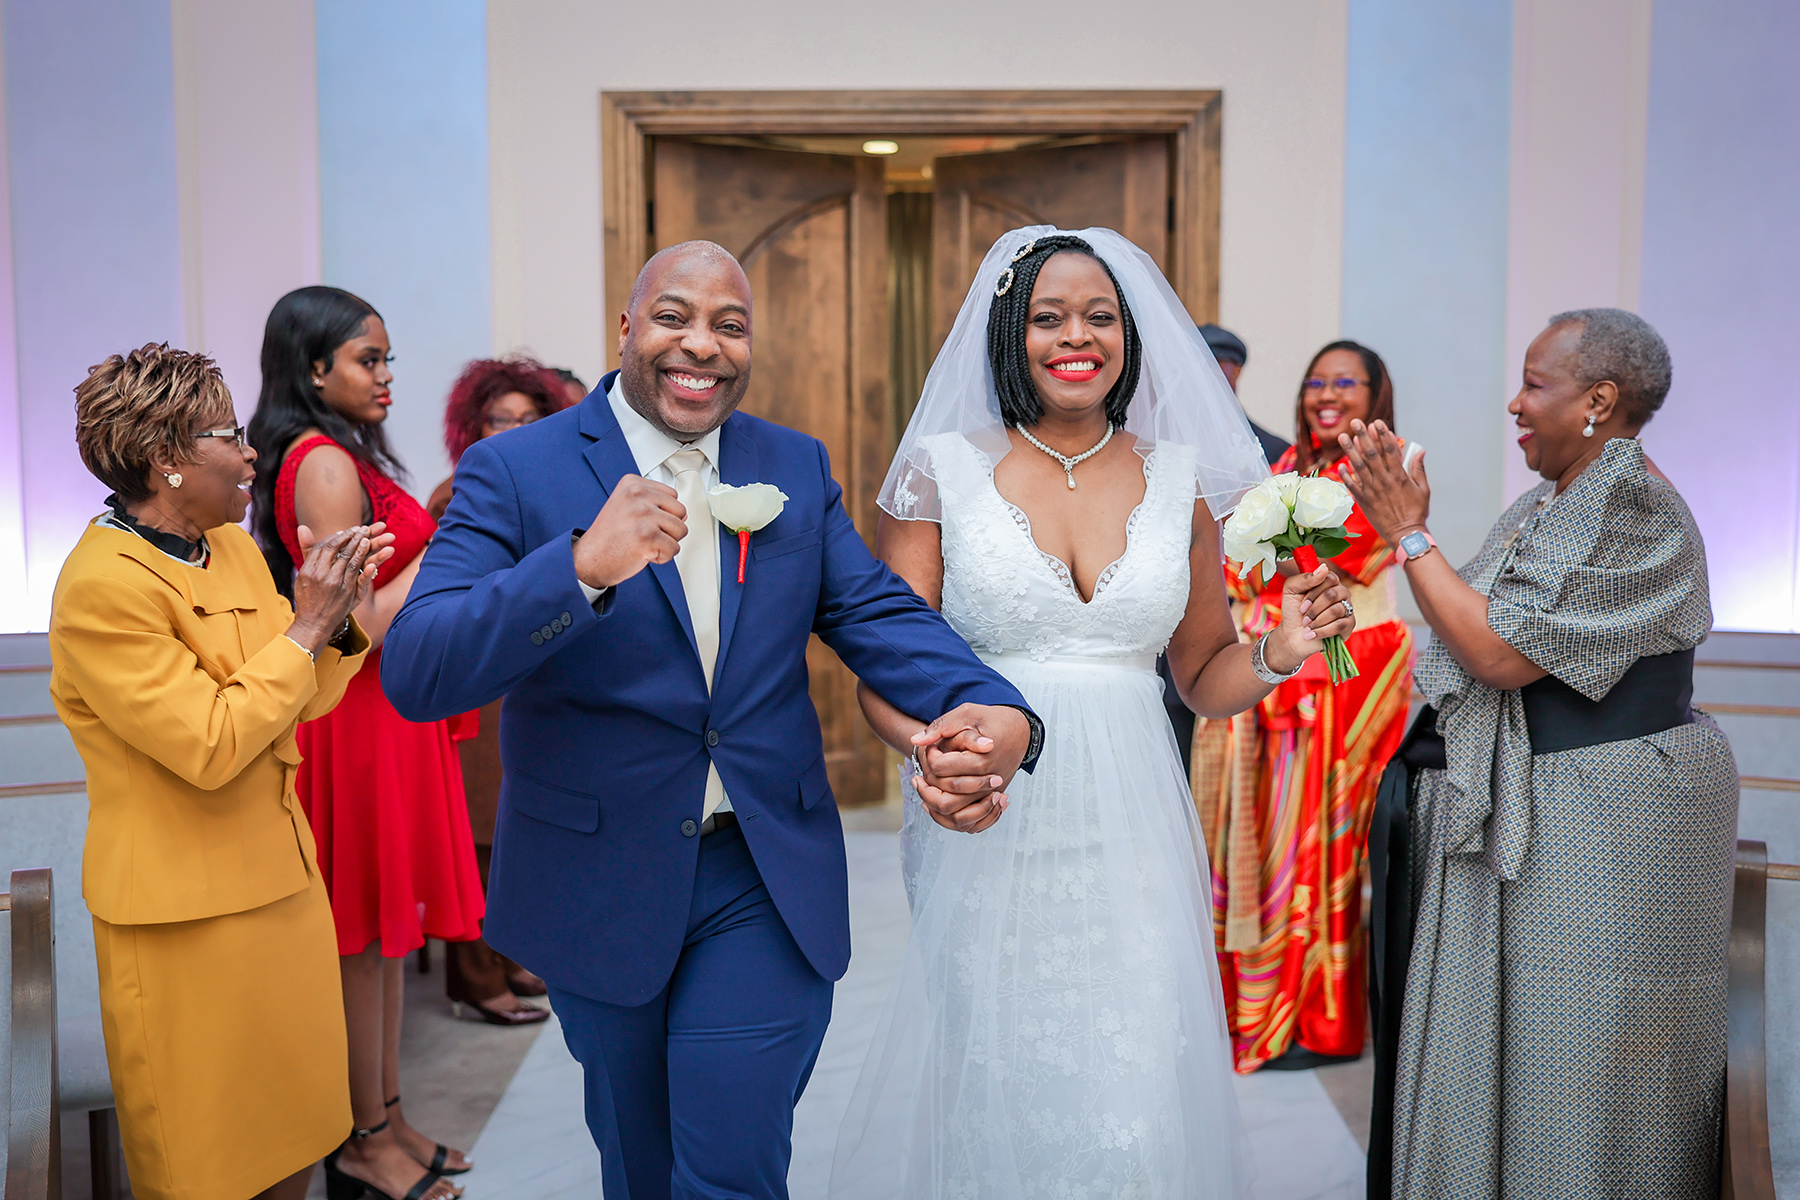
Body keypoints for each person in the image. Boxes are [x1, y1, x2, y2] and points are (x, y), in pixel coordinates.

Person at [378, 240, 1046, 1200]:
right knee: (640, 1163)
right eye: (674, 317)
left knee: (732, 1157)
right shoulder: (515, 472)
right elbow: (420, 666)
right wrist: (577, 567)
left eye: (730, 326)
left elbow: (874, 612)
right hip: (596, 878)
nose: (703, 344)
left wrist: (997, 706)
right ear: (625, 331)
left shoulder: (790, 462)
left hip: (761, 871)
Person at [831, 228, 1356, 1195]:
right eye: (1048, 316)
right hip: (986, 809)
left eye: (1099, 316)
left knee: (1133, 1068)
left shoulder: (1179, 478)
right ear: (1009, 334)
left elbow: (1201, 673)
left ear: (1131, 335)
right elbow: (887, 669)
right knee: (997, 1060)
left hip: (1135, 815)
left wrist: (1280, 652)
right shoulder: (937, 472)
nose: (1077, 336)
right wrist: (930, 748)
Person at [1344, 309, 1737, 1199]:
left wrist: (1411, 535)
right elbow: (1474, 626)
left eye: (1535, 383)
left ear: (1600, 398)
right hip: (1547, 800)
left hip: (1603, 815)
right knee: (1519, 1046)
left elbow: (1498, 654)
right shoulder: (1549, 500)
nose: (1514, 403)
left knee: (1574, 1058)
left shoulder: (1632, 502)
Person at [50, 344, 391, 1200]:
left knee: (296, 1141)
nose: (251, 455)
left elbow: (296, 704)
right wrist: (307, 628)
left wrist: (339, 619)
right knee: (207, 1168)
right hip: (183, 924)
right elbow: (208, 745)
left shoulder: (231, 549)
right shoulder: (101, 587)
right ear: (166, 460)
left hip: (280, 892)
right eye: (229, 435)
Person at [248, 287, 482, 1200]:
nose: (386, 377)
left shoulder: (341, 453)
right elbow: (360, 624)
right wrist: (450, 535)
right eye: (367, 360)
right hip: (354, 716)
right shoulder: (321, 466)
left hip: (389, 714)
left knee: (384, 940)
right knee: (358, 939)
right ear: (314, 370)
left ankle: (387, 1115)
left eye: (386, 359)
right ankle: (361, 1140)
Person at [1190, 340, 1414, 1073]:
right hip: (1276, 660)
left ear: (1376, 393)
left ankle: (1314, 1014)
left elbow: (1339, 556)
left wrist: (1272, 557)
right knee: (1262, 829)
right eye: (1317, 380)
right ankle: (1255, 1001)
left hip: (1351, 668)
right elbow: (1238, 559)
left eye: (1346, 382)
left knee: (1322, 833)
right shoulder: (1287, 468)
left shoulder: (1394, 466)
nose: (1328, 393)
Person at [427, 356, 574, 1025]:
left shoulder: (542, 482)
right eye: (499, 418)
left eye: (528, 418)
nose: (513, 429)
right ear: (473, 425)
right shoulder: (456, 491)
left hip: (528, 668)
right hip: (478, 673)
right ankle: (474, 974)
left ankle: (508, 952)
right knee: (477, 830)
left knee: (515, 826)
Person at [1199, 322, 1289, 465]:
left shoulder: (1274, 450)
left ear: (1236, 371)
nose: (1200, 374)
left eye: (1211, 364)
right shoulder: (1160, 442)